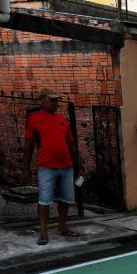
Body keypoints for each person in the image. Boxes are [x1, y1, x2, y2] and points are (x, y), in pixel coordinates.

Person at [21, 88, 82, 246]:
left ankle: (62, 227)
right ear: (42, 100)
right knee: (44, 200)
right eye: (52, 99)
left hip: (66, 166)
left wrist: (78, 166)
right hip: (46, 166)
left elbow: (71, 144)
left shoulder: (62, 120)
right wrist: (25, 168)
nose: (55, 102)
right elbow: (28, 145)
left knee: (66, 199)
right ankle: (43, 232)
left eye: (56, 100)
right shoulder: (34, 118)